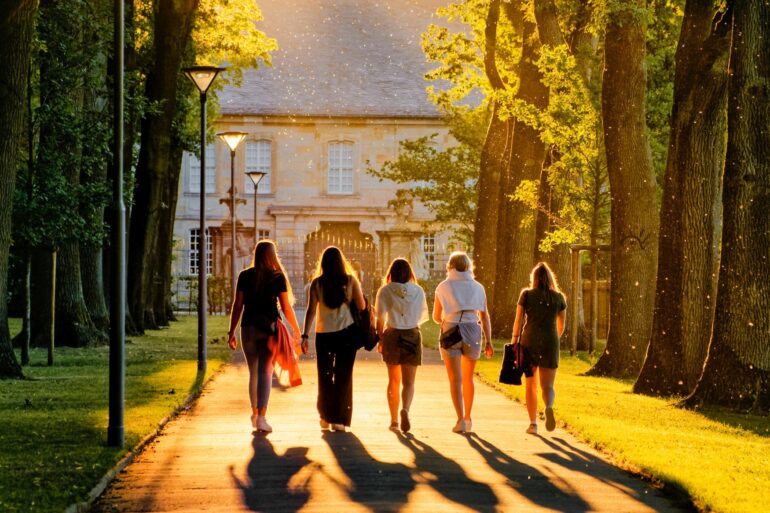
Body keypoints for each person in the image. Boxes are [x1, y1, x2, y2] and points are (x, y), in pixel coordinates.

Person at [227, 240, 304, 433]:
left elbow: (238, 305)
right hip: (268, 328)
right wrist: (296, 330)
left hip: (248, 328)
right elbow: (286, 307)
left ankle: (254, 413)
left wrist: (232, 331)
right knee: (265, 373)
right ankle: (261, 417)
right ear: (272, 255)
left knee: (254, 372)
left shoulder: (245, 275)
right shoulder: (277, 276)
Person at [302, 246, 366, 432]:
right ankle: (339, 420)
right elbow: (361, 306)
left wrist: (305, 335)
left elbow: (311, 311)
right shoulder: (350, 280)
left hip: (324, 335)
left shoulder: (317, 284)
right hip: (346, 334)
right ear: (341, 262)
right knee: (343, 377)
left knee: (325, 376)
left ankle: (324, 416)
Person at [433, 251, 493, 434]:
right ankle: (468, 417)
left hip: (451, 328)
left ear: (450, 266)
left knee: (455, 379)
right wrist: (488, 341)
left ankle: (460, 419)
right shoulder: (478, 287)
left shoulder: (443, 287)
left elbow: (436, 316)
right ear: (468, 266)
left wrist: (448, 317)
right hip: (472, 330)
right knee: (468, 378)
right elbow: (484, 316)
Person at [374, 258, 429, 433]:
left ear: (392, 273)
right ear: (410, 273)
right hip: (412, 334)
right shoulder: (418, 291)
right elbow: (421, 315)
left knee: (393, 380)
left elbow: (380, 317)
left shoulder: (385, 290)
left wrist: (380, 337)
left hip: (392, 334)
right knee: (409, 382)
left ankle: (393, 421)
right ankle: (405, 409)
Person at [511, 262, 567, 435]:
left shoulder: (526, 295)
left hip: (529, 341)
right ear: (550, 278)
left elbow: (518, 320)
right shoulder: (559, 298)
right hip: (550, 341)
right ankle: (548, 407)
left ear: (534, 278)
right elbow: (561, 325)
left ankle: (533, 424)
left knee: (531, 385)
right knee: (548, 386)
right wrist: (554, 339)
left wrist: (514, 340)